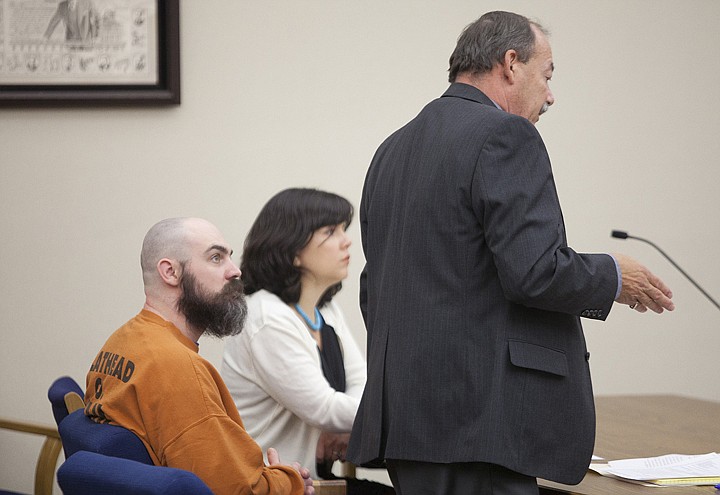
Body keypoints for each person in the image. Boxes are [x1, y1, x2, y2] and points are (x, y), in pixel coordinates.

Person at [347, 11, 675, 495]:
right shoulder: (506, 135)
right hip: (479, 425)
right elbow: (535, 272)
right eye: (547, 75)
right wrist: (612, 276)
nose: (550, 95)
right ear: (510, 63)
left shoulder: (390, 150)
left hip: (408, 424)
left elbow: (376, 289)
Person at [84, 217, 314, 495]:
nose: (235, 271)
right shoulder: (178, 368)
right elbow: (233, 491)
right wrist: (290, 482)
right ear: (170, 272)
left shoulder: (120, 342)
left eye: (230, 257)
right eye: (216, 258)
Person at [221, 188, 394, 495]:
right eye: (330, 231)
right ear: (293, 251)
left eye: (344, 229)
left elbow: (362, 387)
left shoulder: (325, 310)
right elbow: (324, 408)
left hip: (311, 479)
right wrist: (390, 414)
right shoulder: (266, 317)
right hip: (269, 486)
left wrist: (348, 424)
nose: (347, 240)